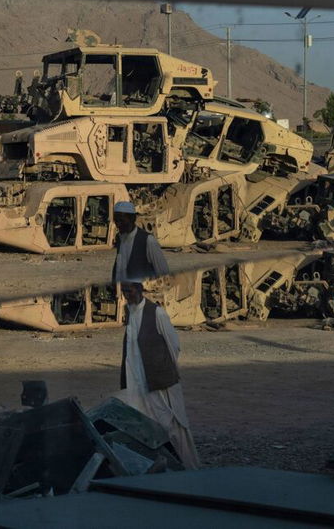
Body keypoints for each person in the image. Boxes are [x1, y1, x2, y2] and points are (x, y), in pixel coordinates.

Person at [117, 278, 199, 469]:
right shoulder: (129, 313)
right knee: (147, 425)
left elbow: (174, 346)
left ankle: (189, 466)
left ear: (139, 290)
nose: (126, 295)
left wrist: (162, 370)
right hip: (138, 383)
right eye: (124, 292)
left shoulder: (157, 313)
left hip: (161, 382)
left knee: (173, 425)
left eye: (129, 291)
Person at [112, 201, 169, 282]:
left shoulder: (148, 240)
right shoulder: (119, 238)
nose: (118, 224)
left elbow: (163, 272)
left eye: (121, 220)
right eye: (116, 221)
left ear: (133, 219)